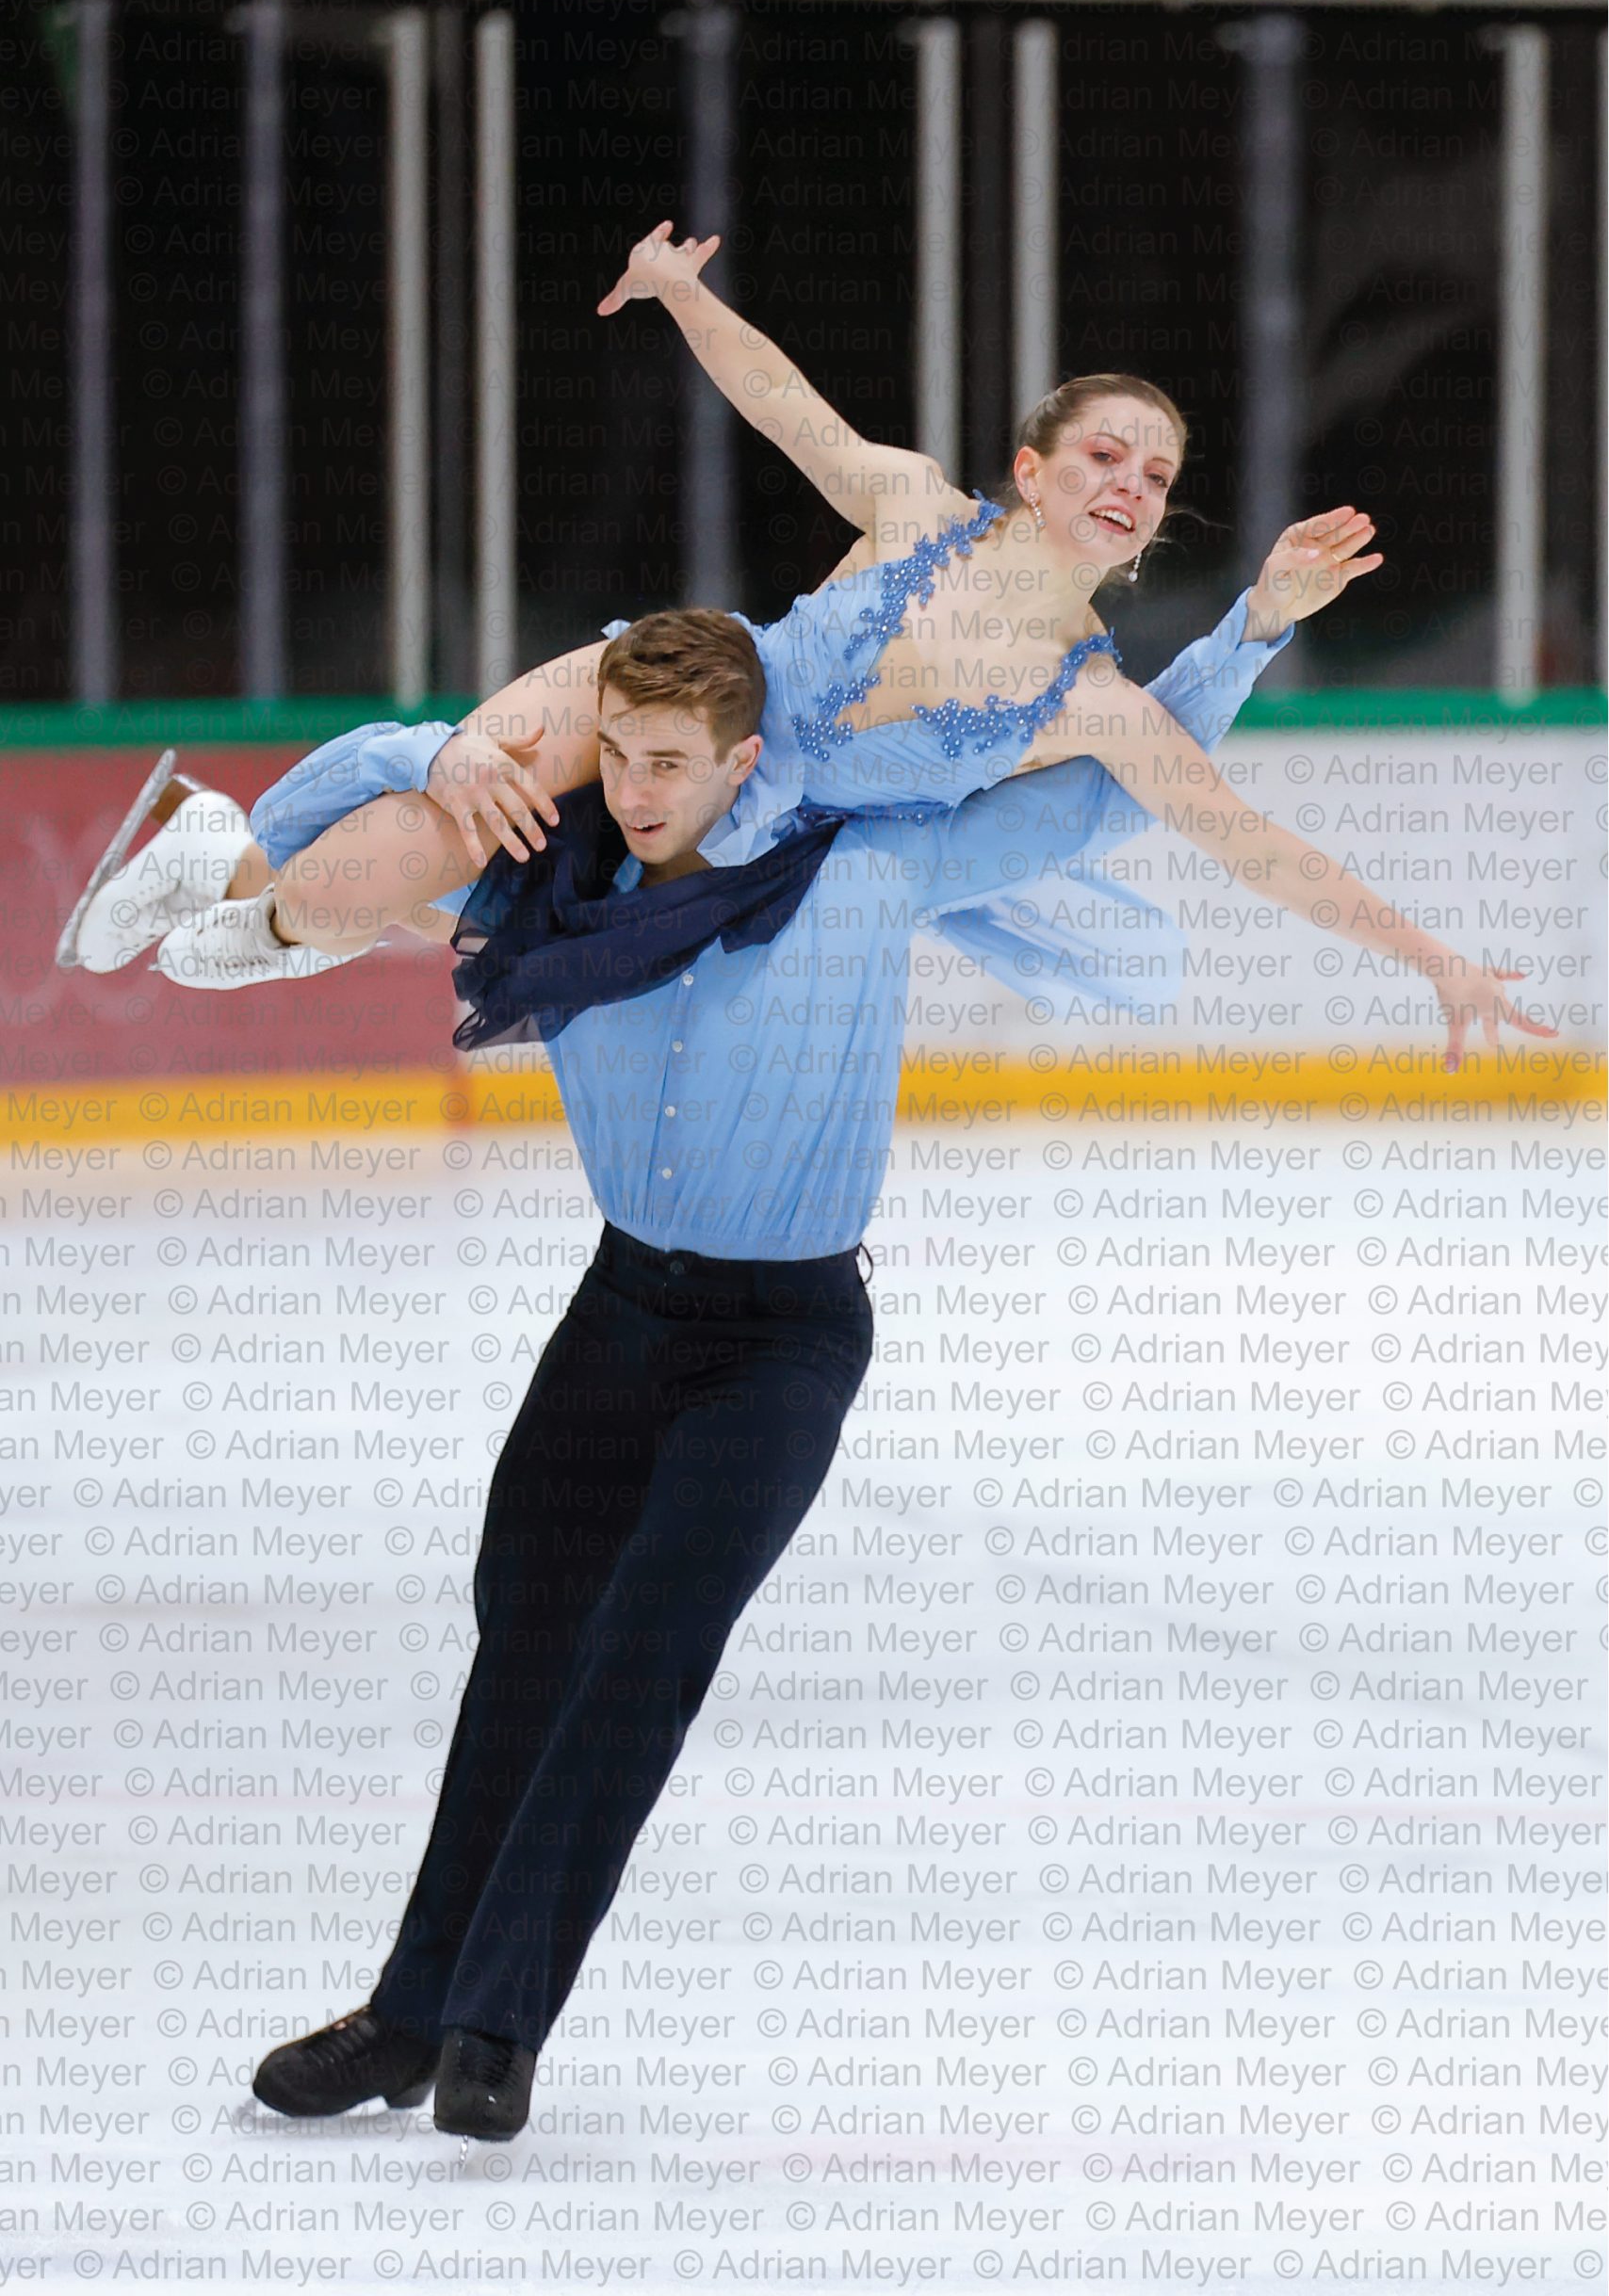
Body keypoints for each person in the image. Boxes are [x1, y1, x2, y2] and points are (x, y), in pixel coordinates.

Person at [248, 597, 1550, 2148]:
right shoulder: (550, 874)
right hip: (616, 1318)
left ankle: (494, 2022)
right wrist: (455, 752)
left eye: (674, 761)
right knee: (521, 1646)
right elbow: (312, 835)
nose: (642, 789)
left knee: (638, 1659)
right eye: (622, 755)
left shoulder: (870, 871)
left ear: (745, 761)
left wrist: (1250, 633)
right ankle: (405, 2015)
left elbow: (1115, 785)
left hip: (779, 1347)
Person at [64, 223, 1376, 1009]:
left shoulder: (1088, 698)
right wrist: (682, 292)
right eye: (1104, 455)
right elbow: (783, 403)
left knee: (516, 923)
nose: (1129, 485)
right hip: (687, 698)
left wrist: (1434, 961)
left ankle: (242, 873)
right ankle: (289, 887)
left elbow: (1237, 832)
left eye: (1155, 476)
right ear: (1032, 469)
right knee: (449, 826)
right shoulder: (919, 510)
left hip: (746, 849)